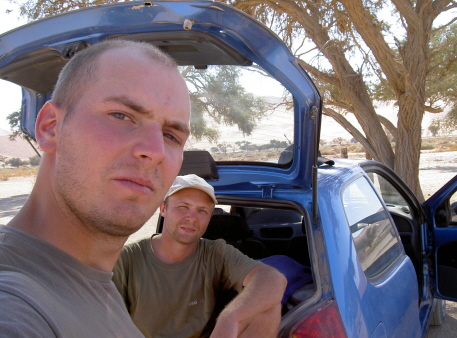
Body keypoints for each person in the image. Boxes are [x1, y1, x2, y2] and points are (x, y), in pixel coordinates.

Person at [0, 39, 191, 336]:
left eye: (171, 136)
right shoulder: (13, 301)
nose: (155, 151)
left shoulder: (91, 280)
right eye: (122, 116)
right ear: (51, 126)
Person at [113, 174, 287, 338]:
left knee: (267, 306)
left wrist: (229, 319)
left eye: (202, 211)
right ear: (163, 209)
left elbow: (272, 279)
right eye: (183, 207)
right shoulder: (127, 259)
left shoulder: (215, 253)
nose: (192, 218)